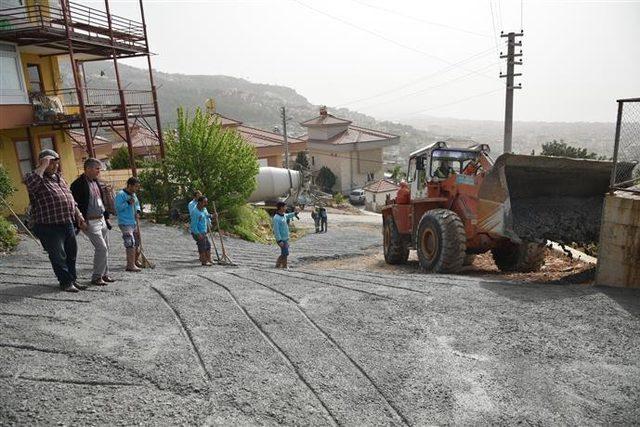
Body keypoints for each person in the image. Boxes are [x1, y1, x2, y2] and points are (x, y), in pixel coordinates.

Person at [25, 149, 87, 292]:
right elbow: (32, 185)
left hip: (67, 222)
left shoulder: (60, 178)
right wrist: (43, 166)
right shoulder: (34, 177)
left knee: (71, 254)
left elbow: (70, 199)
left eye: (55, 163)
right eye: (50, 163)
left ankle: (72, 280)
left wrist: (79, 215)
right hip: (49, 226)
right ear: (42, 163)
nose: (54, 166)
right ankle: (65, 282)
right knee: (58, 255)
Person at [71, 158, 115, 286]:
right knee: (101, 248)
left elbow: (101, 201)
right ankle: (96, 277)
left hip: (101, 219)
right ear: (88, 168)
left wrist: (106, 218)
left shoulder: (96, 182)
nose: (99, 171)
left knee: (106, 248)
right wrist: (80, 220)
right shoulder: (77, 185)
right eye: (97, 169)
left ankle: (104, 274)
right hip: (89, 221)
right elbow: (74, 205)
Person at [115, 177, 142, 272]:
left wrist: (138, 211)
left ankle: (135, 260)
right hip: (125, 222)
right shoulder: (120, 195)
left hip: (133, 222)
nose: (136, 189)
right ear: (130, 185)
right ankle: (130, 265)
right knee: (130, 242)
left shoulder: (133, 195)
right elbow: (118, 208)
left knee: (137, 241)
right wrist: (127, 203)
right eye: (135, 186)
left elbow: (137, 204)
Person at [272, 202, 300, 269]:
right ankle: (278, 265)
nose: (286, 208)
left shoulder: (283, 215)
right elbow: (276, 230)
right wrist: (279, 240)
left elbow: (288, 215)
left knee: (285, 253)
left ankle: (283, 265)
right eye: (285, 207)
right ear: (281, 208)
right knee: (285, 253)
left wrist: (295, 213)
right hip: (281, 239)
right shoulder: (276, 218)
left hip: (286, 238)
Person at [190, 196, 213, 266]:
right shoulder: (195, 212)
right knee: (202, 244)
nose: (206, 204)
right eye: (204, 202)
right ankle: (204, 261)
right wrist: (198, 234)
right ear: (199, 202)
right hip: (197, 233)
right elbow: (193, 226)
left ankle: (209, 259)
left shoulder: (203, 209)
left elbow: (206, 215)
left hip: (203, 232)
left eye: (206, 202)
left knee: (208, 245)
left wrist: (212, 216)